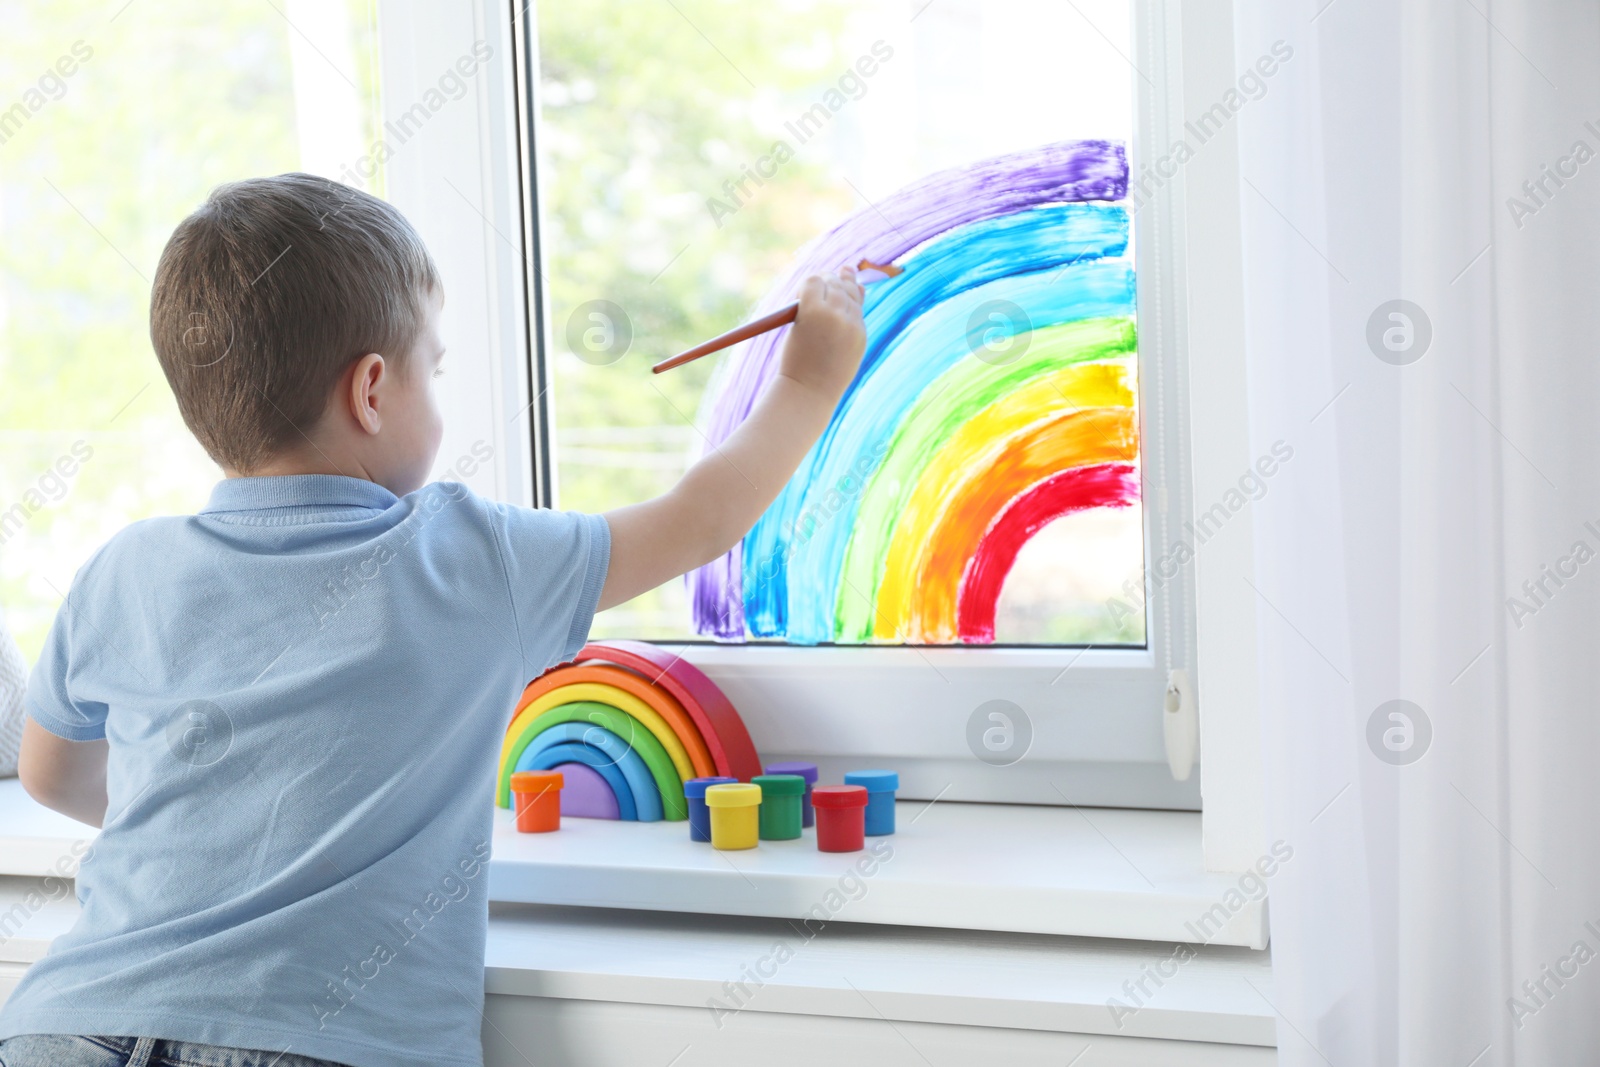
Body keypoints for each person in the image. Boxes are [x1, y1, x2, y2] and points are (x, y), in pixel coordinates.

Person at [0, 173, 865, 1067]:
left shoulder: (125, 567)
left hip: (68, 1020)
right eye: (435, 367)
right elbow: (699, 521)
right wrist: (808, 380)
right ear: (372, 390)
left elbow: (52, 773)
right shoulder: (467, 554)